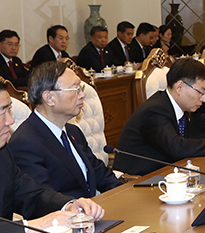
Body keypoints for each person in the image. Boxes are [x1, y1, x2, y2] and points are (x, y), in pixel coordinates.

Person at [0, 72, 103, 233]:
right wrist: (30, 228)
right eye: (2, 112)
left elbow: (32, 195)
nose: (11, 120)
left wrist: (69, 205)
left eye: (10, 110)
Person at [112, 58, 205, 176]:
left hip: (167, 174)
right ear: (180, 87)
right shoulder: (155, 110)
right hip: (138, 182)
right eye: (200, 92)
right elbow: (176, 148)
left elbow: (185, 142)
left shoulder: (182, 108)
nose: (203, 99)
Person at [9, 62, 121, 198]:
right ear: (49, 98)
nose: (82, 95)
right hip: (67, 211)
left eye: (81, 89)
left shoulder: (73, 132)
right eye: (76, 89)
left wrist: (127, 194)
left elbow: (100, 174)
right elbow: (42, 198)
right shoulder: (25, 142)